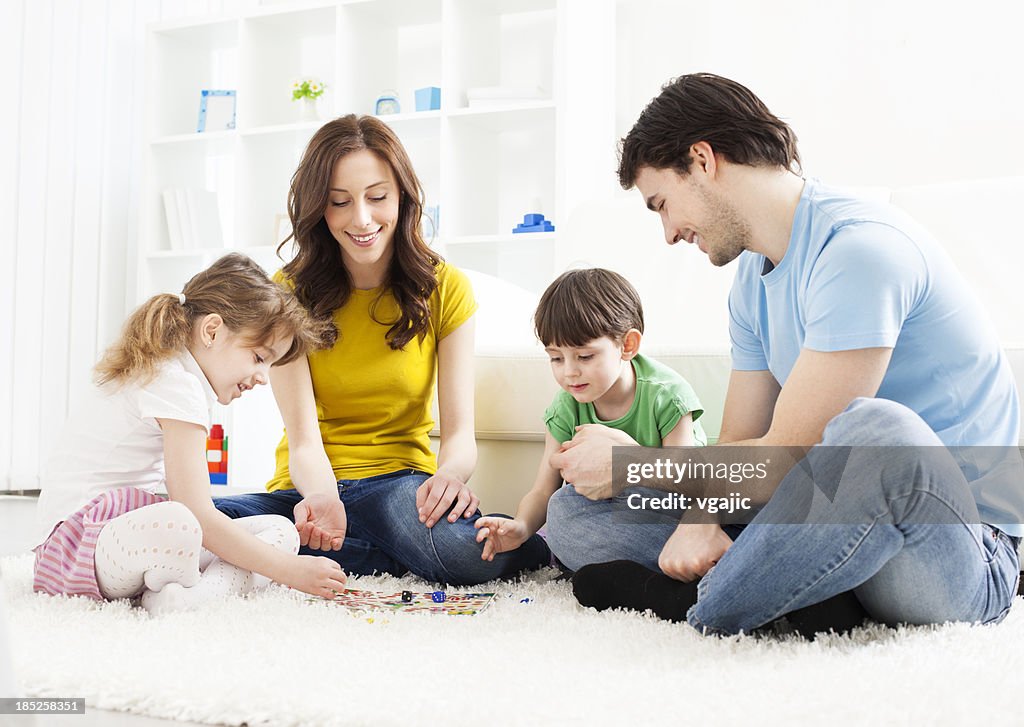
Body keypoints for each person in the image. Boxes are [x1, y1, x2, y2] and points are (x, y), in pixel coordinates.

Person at [557, 73, 1022, 636]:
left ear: (702, 160)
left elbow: (785, 462)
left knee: (877, 434)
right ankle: (807, 598)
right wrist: (701, 521)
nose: (669, 233)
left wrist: (635, 464)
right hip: (826, 521)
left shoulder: (859, 251)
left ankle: (694, 605)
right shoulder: (752, 279)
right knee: (573, 516)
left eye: (662, 204)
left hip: (960, 546)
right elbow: (740, 448)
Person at [214, 114, 549, 586]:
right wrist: (324, 497)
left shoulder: (444, 287)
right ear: (319, 208)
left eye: (377, 198)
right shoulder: (287, 292)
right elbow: (304, 440)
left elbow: (459, 436)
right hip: (308, 489)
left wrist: (450, 477)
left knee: (463, 553)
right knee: (200, 519)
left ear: (402, 198)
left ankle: (306, 552)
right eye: (339, 202)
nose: (362, 219)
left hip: (398, 489)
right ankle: (374, 554)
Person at [32, 254, 348, 615]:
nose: (263, 377)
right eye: (260, 358)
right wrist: (290, 571)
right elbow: (197, 512)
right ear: (212, 330)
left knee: (280, 530)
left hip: (119, 538)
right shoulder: (174, 382)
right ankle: (189, 591)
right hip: (74, 548)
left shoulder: (180, 376)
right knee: (185, 523)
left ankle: (180, 600)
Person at [474, 268, 728, 576]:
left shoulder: (667, 396)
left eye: (584, 357)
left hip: (679, 513)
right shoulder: (565, 408)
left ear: (627, 346)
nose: (569, 372)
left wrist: (628, 459)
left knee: (570, 525)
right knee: (563, 510)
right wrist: (522, 526)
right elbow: (543, 490)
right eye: (556, 358)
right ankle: (670, 572)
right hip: (613, 518)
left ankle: (695, 563)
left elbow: (690, 482)